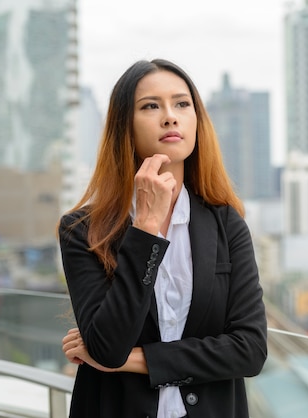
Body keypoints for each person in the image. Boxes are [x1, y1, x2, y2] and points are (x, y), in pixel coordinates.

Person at [58, 58, 267, 418]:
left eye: (182, 104)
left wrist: (137, 360)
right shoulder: (82, 231)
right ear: (125, 125)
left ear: (197, 121)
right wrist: (146, 229)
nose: (170, 116)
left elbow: (249, 349)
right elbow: (108, 347)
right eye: (150, 106)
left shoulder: (226, 224)